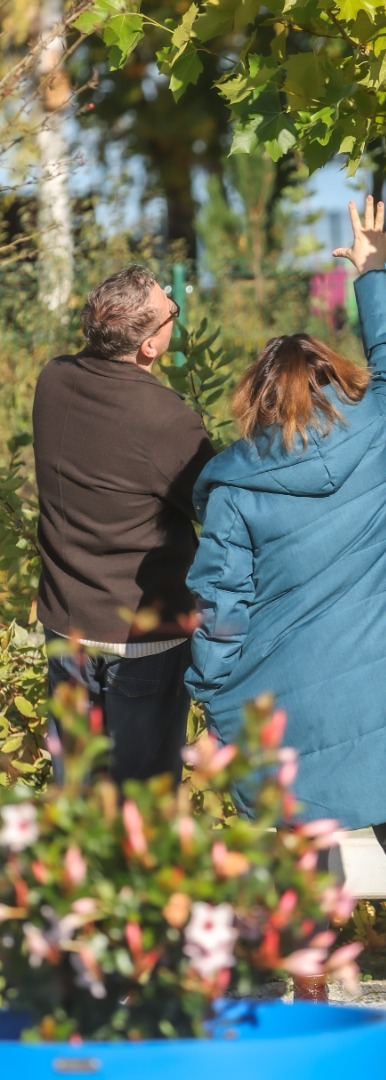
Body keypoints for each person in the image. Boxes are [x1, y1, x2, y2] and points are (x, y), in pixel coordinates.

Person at [185, 198, 386, 1032]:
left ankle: (311, 993)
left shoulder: (239, 488)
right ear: (332, 378)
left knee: (298, 831)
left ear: (256, 399)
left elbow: (222, 604)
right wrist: (370, 268)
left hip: (287, 691)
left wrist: (209, 693)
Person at [32, 265, 216, 785]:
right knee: (144, 807)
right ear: (150, 347)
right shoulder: (165, 418)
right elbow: (218, 505)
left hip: (67, 625)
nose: (175, 319)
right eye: (171, 313)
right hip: (143, 638)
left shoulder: (54, 380)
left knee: (80, 799)